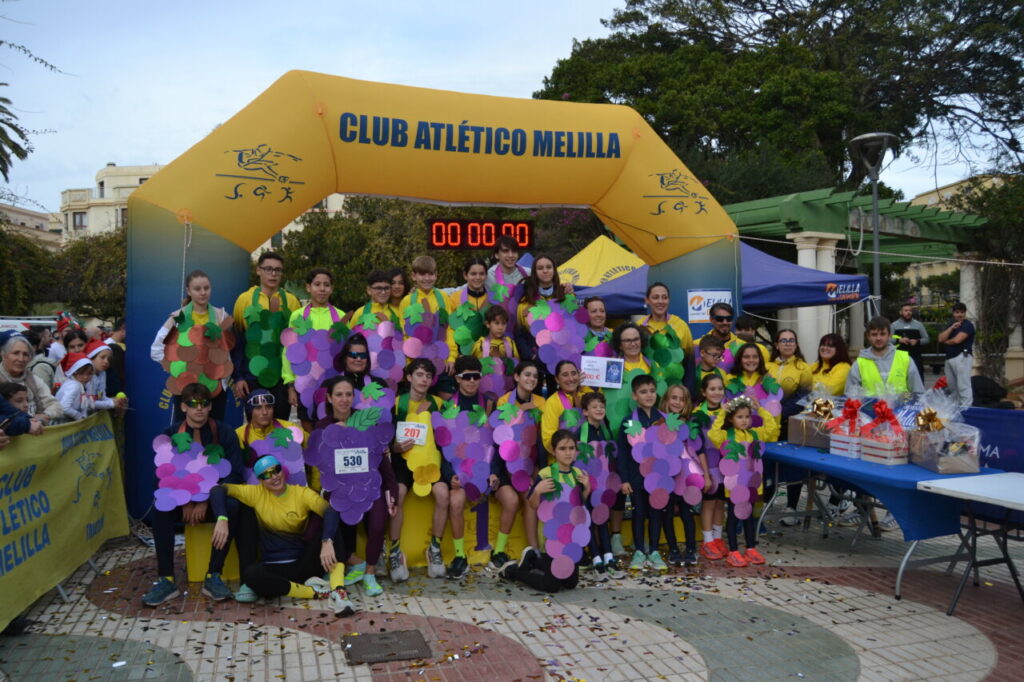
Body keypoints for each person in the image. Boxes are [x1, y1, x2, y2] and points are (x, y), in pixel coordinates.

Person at [208, 455, 356, 615]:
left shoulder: (300, 493)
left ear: (282, 471)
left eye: (276, 470)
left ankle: (339, 592)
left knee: (332, 529)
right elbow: (218, 489)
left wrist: (327, 541)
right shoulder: (255, 493)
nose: (274, 477)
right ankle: (313, 592)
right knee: (251, 575)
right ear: (260, 480)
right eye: (266, 475)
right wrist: (222, 518)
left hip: (303, 563)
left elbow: (330, 511)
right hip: (274, 570)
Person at [143, 383, 244, 606]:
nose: (199, 408)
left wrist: (206, 501)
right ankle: (166, 579)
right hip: (183, 504)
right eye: (193, 403)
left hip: (213, 503)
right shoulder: (169, 435)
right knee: (161, 506)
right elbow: (161, 478)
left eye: (204, 403)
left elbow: (235, 475)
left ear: (210, 407)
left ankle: (214, 575)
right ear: (183, 407)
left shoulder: (225, 433)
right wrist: (185, 502)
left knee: (233, 506)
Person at [311, 375, 396, 598]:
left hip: (369, 485)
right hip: (338, 487)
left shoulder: (366, 421)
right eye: (339, 394)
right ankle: (347, 563)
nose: (344, 399)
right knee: (324, 521)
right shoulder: (322, 427)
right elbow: (319, 464)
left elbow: (382, 460)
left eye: (348, 394)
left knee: (378, 523)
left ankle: (370, 574)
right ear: (329, 398)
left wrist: (392, 491)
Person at [499, 429, 590, 593]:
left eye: (571, 448)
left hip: (570, 537)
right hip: (551, 537)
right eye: (562, 449)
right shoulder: (546, 474)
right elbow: (532, 505)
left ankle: (533, 560)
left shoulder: (578, 474)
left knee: (570, 583)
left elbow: (580, 505)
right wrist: (537, 491)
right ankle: (513, 572)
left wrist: (587, 489)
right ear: (554, 451)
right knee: (551, 586)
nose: (568, 453)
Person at [436, 356, 494, 580]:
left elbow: (497, 442)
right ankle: (460, 556)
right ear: (458, 379)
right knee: (456, 501)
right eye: (467, 377)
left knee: (510, 499)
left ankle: (499, 552)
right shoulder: (447, 407)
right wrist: (450, 475)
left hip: (483, 471)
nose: (471, 381)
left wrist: (495, 472)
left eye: (476, 376)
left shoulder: (489, 404)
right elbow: (442, 446)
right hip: (459, 472)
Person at [388, 359, 446, 579]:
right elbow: (386, 438)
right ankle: (395, 551)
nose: (424, 380)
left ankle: (434, 548)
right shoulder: (396, 403)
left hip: (430, 462)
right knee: (399, 494)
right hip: (403, 461)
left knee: (443, 494)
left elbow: (447, 437)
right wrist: (394, 447)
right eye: (420, 375)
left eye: (428, 376)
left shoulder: (438, 403)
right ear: (409, 377)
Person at [151, 269, 234, 420]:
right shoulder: (178, 318)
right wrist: (176, 367)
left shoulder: (221, 317)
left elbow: (229, 351)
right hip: (184, 388)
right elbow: (156, 349)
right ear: (188, 291)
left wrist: (222, 372)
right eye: (197, 289)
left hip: (214, 389)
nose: (203, 292)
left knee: (214, 430)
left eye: (206, 288)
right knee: (185, 432)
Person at [708, 395, 779, 567]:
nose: (744, 420)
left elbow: (772, 428)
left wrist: (760, 409)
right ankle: (733, 551)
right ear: (731, 419)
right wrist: (722, 413)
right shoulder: (727, 435)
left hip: (752, 485)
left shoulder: (755, 434)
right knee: (733, 517)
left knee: (748, 516)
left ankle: (750, 548)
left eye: (747, 416)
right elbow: (712, 434)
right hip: (734, 486)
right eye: (739, 417)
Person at [232, 252, 300, 418]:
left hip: (282, 378)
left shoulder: (292, 301)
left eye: (278, 270)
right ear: (258, 270)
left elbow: (296, 345)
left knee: (280, 424)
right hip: (252, 376)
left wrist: (292, 383)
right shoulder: (244, 300)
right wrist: (238, 377)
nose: (273, 274)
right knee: (256, 425)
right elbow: (238, 341)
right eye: (268, 269)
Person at [617, 374, 669, 573]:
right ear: (634, 396)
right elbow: (622, 452)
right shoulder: (629, 421)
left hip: (658, 477)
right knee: (638, 513)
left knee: (656, 512)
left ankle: (654, 550)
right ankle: (639, 551)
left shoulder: (664, 419)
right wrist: (624, 479)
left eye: (652, 391)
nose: (649, 395)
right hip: (636, 477)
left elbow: (671, 450)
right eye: (643, 392)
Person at [492, 360, 546, 555]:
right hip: (507, 463)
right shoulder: (504, 402)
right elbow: (500, 439)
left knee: (534, 496)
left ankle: (536, 551)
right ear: (516, 377)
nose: (531, 379)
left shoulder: (541, 403)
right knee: (520, 498)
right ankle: (502, 552)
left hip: (530, 463)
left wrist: (538, 469)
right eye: (527, 375)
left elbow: (540, 439)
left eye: (535, 376)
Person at [282, 267, 346, 430]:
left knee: (334, 428)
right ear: (308, 287)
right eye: (317, 284)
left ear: (332, 288)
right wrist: (290, 385)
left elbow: (345, 352)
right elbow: (289, 351)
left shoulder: (340, 316)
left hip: (333, 385)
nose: (322, 289)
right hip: (305, 385)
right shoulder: (297, 316)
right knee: (309, 428)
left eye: (326, 285)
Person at [659, 384, 708, 566]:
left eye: (682, 399)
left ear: (687, 403)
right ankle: (673, 549)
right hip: (666, 475)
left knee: (686, 511)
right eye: (674, 398)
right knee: (667, 512)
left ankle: (690, 549)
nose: (677, 402)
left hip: (685, 476)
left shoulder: (691, 423)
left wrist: (707, 476)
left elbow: (700, 450)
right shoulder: (659, 423)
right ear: (666, 399)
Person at [575, 392, 621, 578]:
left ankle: (608, 556)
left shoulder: (605, 430)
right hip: (587, 485)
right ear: (585, 412)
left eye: (602, 406)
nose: (599, 409)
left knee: (602, 518)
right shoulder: (581, 432)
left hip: (603, 484)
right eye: (594, 407)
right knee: (589, 520)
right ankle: (595, 557)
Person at [845, 316, 924, 398]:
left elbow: (918, 393)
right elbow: (851, 397)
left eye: (882, 334)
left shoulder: (905, 359)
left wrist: (903, 400)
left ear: (889, 335)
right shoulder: (859, 364)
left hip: (902, 406)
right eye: (874, 334)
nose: (878, 338)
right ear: (868, 336)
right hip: (869, 407)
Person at [693, 374, 728, 561]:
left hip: (725, 466)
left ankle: (717, 538)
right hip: (708, 465)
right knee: (709, 502)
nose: (717, 392)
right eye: (712, 389)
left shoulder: (728, 412)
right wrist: (705, 473)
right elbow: (697, 446)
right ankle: (707, 541)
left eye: (720, 388)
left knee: (721, 502)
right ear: (704, 392)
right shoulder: (698, 415)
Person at [399, 255, 452, 376]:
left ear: (436, 275)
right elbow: (405, 333)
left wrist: (451, 357)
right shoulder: (407, 301)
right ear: (414, 276)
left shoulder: (443, 298)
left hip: (442, 360)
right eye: (422, 274)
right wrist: (410, 361)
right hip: (416, 361)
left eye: (431, 274)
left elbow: (449, 329)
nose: (427, 278)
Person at [0, 332, 62, 424]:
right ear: (3, 354)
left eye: (25, 354)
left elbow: (55, 406)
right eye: (16, 353)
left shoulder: (33, 380)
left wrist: (45, 415)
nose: (21, 359)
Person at [639, 282, 694, 367]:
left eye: (664, 297)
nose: (660, 301)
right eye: (655, 297)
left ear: (669, 300)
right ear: (647, 300)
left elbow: (689, 360)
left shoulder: (680, 325)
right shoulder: (639, 326)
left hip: (674, 375)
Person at [540, 360, 584, 460]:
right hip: (561, 462)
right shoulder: (552, 402)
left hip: (585, 459)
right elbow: (548, 438)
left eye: (574, 373)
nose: (571, 378)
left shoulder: (585, 397)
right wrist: (568, 454)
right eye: (565, 375)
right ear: (557, 379)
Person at [448, 257, 490, 360]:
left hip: (487, 354)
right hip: (462, 354)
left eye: (481, 274)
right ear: (465, 275)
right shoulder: (455, 298)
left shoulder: (493, 299)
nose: (477, 277)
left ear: (486, 276)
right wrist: (453, 355)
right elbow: (450, 329)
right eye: (473, 274)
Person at [938, 302, 975, 408]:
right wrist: (951, 328)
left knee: (963, 385)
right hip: (949, 358)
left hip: (962, 357)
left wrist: (946, 341)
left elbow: (956, 340)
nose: (960, 315)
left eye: (962, 312)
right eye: (957, 312)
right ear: (953, 313)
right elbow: (940, 338)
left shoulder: (968, 325)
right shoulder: (950, 324)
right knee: (952, 386)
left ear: (965, 313)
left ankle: (966, 407)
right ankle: (955, 408)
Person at [891, 303, 929, 379]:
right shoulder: (894, 325)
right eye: (906, 310)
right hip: (899, 357)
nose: (908, 312)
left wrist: (917, 341)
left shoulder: (918, 325)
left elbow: (927, 339)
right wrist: (899, 340)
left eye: (910, 310)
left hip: (915, 356)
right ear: (900, 312)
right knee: (900, 378)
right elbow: (888, 340)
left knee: (917, 377)